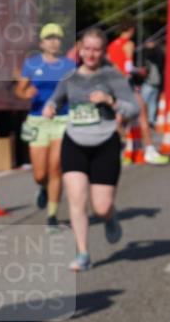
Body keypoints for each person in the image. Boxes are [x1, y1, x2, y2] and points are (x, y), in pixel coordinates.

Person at [43, 28, 138, 272]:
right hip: (75, 142)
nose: (91, 54)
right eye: (87, 49)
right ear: (80, 49)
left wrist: (110, 101)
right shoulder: (70, 76)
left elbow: (133, 109)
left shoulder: (113, 76)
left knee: (101, 207)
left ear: (103, 51)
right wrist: (51, 107)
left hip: (105, 141)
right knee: (76, 199)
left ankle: (109, 216)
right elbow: (57, 98)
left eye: (96, 49)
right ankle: (83, 252)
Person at [14, 23, 75, 228]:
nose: (54, 41)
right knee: (40, 174)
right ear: (41, 43)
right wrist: (26, 93)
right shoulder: (31, 64)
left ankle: (52, 216)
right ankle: (42, 187)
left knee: (56, 168)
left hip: (62, 120)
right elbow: (19, 91)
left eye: (57, 38)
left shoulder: (69, 65)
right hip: (38, 120)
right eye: (49, 38)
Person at [108, 19, 168, 165]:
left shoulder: (111, 45)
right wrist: (139, 70)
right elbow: (128, 67)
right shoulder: (128, 44)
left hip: (113, 84)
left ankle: (125, 151)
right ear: (131, 30)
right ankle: (149, 151)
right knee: (142, 115)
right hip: (126, 83)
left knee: (121, 119)